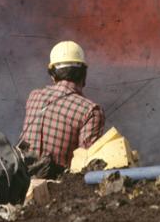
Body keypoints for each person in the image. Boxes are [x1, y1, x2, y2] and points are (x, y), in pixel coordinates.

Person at [17, 41, 105, 177]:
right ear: (83, 74)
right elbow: (86, 165)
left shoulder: (34, 96)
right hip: (56, 189)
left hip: (21, 182)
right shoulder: (91, 111)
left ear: (52, 75)